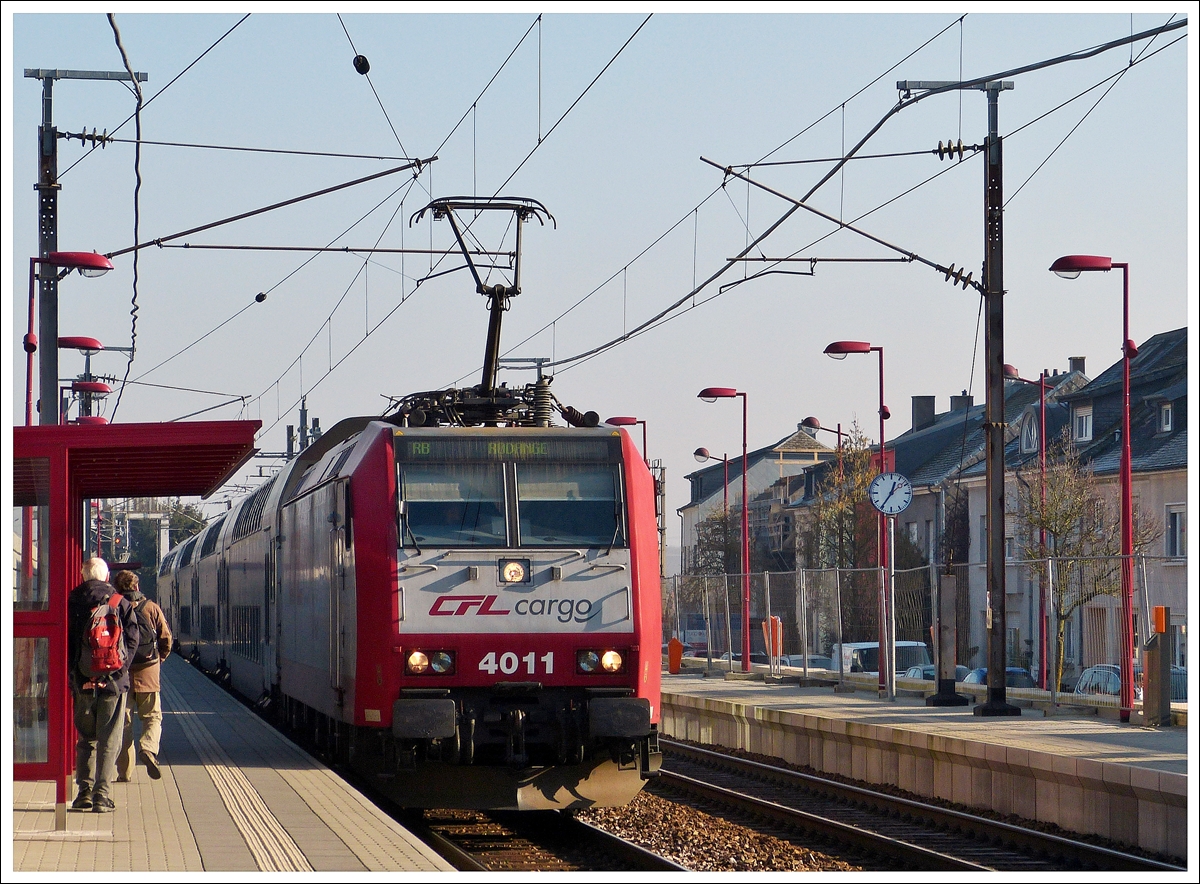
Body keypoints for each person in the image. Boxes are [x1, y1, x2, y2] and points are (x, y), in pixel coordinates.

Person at [68, 557, 138, 812]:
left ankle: (84, 793)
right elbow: (134, 640)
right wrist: (120, 669)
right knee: (109, 740)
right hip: (113, 683)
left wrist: (76, 673)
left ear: (83, 576)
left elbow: (67, 642)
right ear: (107, 577)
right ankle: (102, 795)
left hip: (83, 680)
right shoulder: (120, 602)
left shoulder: (73, 601)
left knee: (86, 739)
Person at [113, 569, 171, 782]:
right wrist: (158, 660)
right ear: (137, 586)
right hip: (149, 673)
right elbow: (166, 638)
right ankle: (148, 748)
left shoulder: (113, 606)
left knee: (123, 723)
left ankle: (124, 773)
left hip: (121, 674)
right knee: (152, 717)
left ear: (117, 588)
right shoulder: (151, 607)